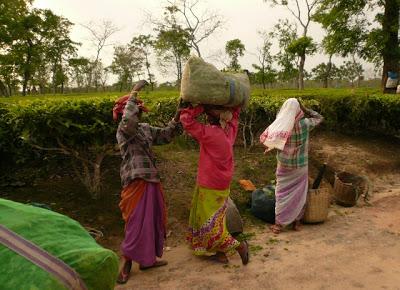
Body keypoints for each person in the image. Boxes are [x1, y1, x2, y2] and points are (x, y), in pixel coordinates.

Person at [114, 80, 181, 284]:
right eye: (136, 110)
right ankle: (126, 263)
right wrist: (133, 93)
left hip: (151, 179)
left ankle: (147, 260)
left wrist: (179, 112)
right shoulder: (124, 129)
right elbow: (128, 122)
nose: (140, 114)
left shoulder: (144, 129)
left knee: (152, 221)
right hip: (136, 181)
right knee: (135, 224)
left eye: (140, 110)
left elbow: (166, 135)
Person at [180, 103, 249, 265]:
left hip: (210, 183)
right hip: (222, 182)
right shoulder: (229, 131)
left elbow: (186, 120)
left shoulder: (210, 133)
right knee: (217, 218)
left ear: (213, 117)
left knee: (209, 223)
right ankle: (220, 254)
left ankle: (239, 247)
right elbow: (235, 115)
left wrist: (200, 107)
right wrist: (231, 108)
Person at [260, 98, 323, 234]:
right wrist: (306, 109)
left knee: (281, 194)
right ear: (298, 110)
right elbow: (319, 117)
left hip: (284, 165)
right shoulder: (306, 124)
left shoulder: (282, 126)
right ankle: (297, 223)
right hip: (300, 166)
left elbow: (275, 140)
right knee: (299, 193)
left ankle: (278, 225)